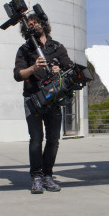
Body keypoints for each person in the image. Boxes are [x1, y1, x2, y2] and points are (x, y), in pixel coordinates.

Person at [13, 14, 73, 194]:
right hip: (33, 98)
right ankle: (36, 177)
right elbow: (17, 75)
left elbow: (69, 66)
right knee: (36, 139)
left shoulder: (57, 47)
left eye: (36, 22)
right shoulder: (25, 49)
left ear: (44, 24)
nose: (34, 25)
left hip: (53, 98)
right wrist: (33, 68)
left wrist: (59, 69)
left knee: (53, 139)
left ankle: (48, 175)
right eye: (30, 23)